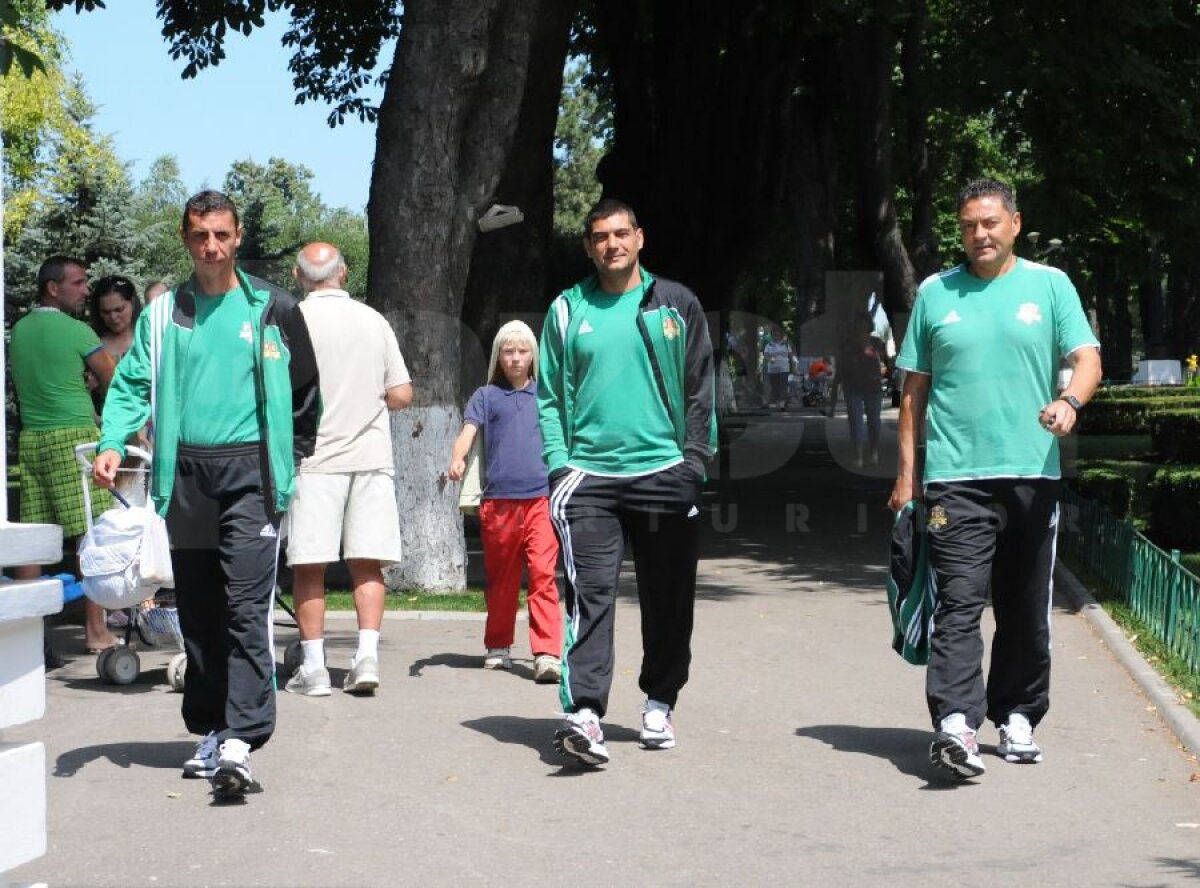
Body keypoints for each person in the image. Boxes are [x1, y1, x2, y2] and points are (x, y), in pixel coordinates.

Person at [93, 190, 321, 799]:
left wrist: (290, 458)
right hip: (186, 476)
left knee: (247, 608)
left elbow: (305, 394)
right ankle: (212, 728)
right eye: (200, 236)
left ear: (237, 236)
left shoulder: (274, 307)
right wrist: (113, 440)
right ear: (185, 237)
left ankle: (243, 738)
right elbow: (134, 379)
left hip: (251, 475)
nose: (211, 246)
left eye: (221, 234)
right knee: (198, 608)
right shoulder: (165, 315)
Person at [888, 177, 1102, 779]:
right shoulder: (936, 292)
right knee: (957, 601)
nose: (978, 234)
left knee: (1025, 605)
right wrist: (907, 477)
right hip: (956, 478)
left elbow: (1088, 359)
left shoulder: (1050, 285)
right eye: (968, 225)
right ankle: (955, 720)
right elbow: (913, 394)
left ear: (1014, 224)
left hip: (1033, 474)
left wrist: (1070, 403)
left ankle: (1016, 716)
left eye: (989, 223)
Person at [538, 198, 716, 766]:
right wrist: (561, 462)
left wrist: (692, 462)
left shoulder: (675, 303)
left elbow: (699, 387)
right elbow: (548, 394)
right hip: (589, 479)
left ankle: (659, 700)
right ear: (589, 246)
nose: (611, 244)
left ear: (640, 238)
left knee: (669, 601)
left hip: (665, 474)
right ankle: (584, 713)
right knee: (589, 598)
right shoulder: (568, 309)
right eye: (599, 237)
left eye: (620, 234)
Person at [283, 242, 413, 698]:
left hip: (313, 460)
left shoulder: (291, 321)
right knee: (367, 564)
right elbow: (401, 393)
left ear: (299, 277)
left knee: (308, 567)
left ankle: (315, 668)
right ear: (344, 273)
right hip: (370, 458)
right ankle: (366, 658)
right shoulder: (372, 320)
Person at [9, 256, 118, 654]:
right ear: (53, 288)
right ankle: (96, 632)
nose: (85, 290)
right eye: (78, 282)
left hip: (33, 440)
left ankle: (27, 637)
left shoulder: (18, 331)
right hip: (74, 439)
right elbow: (113, 375)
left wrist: (78, 384)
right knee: (93, 533)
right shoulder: (76, 330)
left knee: (32, 542)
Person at [447, 321, 563, 683]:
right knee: (501, 580)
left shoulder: (547, 395)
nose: (515, 358)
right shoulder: (485, 396)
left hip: (541, 500)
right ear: (498, 356)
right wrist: (458, 458)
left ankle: (547, 653)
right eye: (508, 351)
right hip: (498, 503)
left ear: (534, 356)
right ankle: (498, 646)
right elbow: (467, 433)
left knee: (543, 576)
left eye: (523, 351)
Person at [834, 313, 887, 467]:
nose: (860, 326)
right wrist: (833, 399)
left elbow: (886, 362)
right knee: (855, 421)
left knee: (874, 422)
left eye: (863, 323)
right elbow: (841, 368)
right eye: (857, 323)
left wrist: (878, 357)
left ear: (869, 325)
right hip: (852, 387)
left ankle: (874, 451)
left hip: (873, 387)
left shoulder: (877, 342)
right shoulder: (847, 344)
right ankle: (858, 455)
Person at [88, 275, 142, 362]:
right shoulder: (93, 345)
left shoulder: (150, 338)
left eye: (119, 310)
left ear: (132, 303)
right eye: (106, 312)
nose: (113, 317)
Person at [762, 326, 794, 410]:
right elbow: (765, 355)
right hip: (772, 370)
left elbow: (791, 356)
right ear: (772, 336)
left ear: (781, 336)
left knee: (783, 386)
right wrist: (770, 359)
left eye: (778, 335)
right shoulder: (768, 345)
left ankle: (782, 404)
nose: (776, 337)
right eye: (774, 335)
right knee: (775, 387)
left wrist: (793, 367)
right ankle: (778, 402)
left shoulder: (786, 345)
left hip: (784, 369)